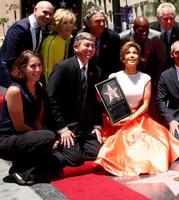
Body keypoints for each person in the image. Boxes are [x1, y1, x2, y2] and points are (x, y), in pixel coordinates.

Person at [95, 41, 179, 176]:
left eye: (135, 53)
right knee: (128, 142)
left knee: (149, 141)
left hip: (139, 117)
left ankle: (147, 166)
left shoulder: (145, 78)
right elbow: (109, 104)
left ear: (139, 57)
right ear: (123, 58)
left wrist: (132, 117)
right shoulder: (114, 77)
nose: (132, 55)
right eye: (128, 53)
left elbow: (145, 105)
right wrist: (101, 99)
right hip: (118, 120)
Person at [0, 51, 63, 185]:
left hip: (26, 135)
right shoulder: (15, 90)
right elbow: (19, 125)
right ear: (22, 68)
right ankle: (18, 170)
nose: (38, 69)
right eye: (33, 66)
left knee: (58, 162)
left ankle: (30, 166)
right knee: (48, 137)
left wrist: (47, 140)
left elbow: (37, 119)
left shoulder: (39, 87)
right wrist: (44, 137)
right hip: (8, 140)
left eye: (40, 65)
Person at [45, 32, 102, 166]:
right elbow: (50, 98)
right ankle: (55, 145)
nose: (90, 49)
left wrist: (97, 125)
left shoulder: (95, 70)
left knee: (99, 154)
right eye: (86, 45)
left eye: (93, 46)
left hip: (84, 127)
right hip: (66, 126)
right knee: (74, 160)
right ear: (76, 47)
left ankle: (75, 146)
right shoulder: (62, 68)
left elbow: (95, 101)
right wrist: (61, 129)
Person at [119, 16, 168, 121]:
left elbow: (162, 61)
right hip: (128, 75)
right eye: (141, 31)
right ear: (134, 28)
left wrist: (155, 82)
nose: (145, 33)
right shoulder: (122, 38)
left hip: (148, 77)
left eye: (147, 30)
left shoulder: (157, 36)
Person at [0, 1, 54, 88]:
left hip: (25, 79)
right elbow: (10, 59)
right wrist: (16, 85)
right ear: (35, 10)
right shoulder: (19, 28)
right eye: (45, 12)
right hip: (9, 80)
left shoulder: (39, 28)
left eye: (51, 14)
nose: (48, 16)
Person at [82, 6, 121, 80]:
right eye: (97, 21)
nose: (102, 24)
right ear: (88, 23)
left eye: (103, 21)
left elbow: (116, 64)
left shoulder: (112, 37)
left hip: (107, 79)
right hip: (86, 79)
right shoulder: (80, 37)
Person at [40, 8, 76, 81]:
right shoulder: (50, 42)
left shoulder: (69, 39)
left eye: (71, 22)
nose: (69, 26)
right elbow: (47, 70)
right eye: (65, 23)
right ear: (58, 25)